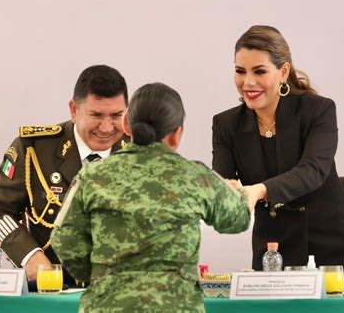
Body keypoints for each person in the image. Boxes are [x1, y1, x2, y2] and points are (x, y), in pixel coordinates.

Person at [51, 83, 260, 312]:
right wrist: (242, 193)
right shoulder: (196, 176)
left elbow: (64, 239)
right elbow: (238, 218)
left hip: (107, 305)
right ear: (177, 133)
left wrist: (103, 275)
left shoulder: (92, 175)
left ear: (126, 125)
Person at [212, 25, 344, 287]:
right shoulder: (225, 125)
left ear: (283, 72)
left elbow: (312, 171)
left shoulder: (318, 111)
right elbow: (224, 184)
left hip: (338, 260)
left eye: (259, 71)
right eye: (240, 71)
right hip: (273, 261)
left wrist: (259, 190)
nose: (248, 82)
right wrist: (224, 190)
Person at [0, 65, 129, 283]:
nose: (107, 128)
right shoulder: (35, 149)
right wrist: (30, 256)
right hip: (55, 291)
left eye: (117, 115)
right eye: (96, 115)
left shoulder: (141, 152)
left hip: (124, 293)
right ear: (73, 110)